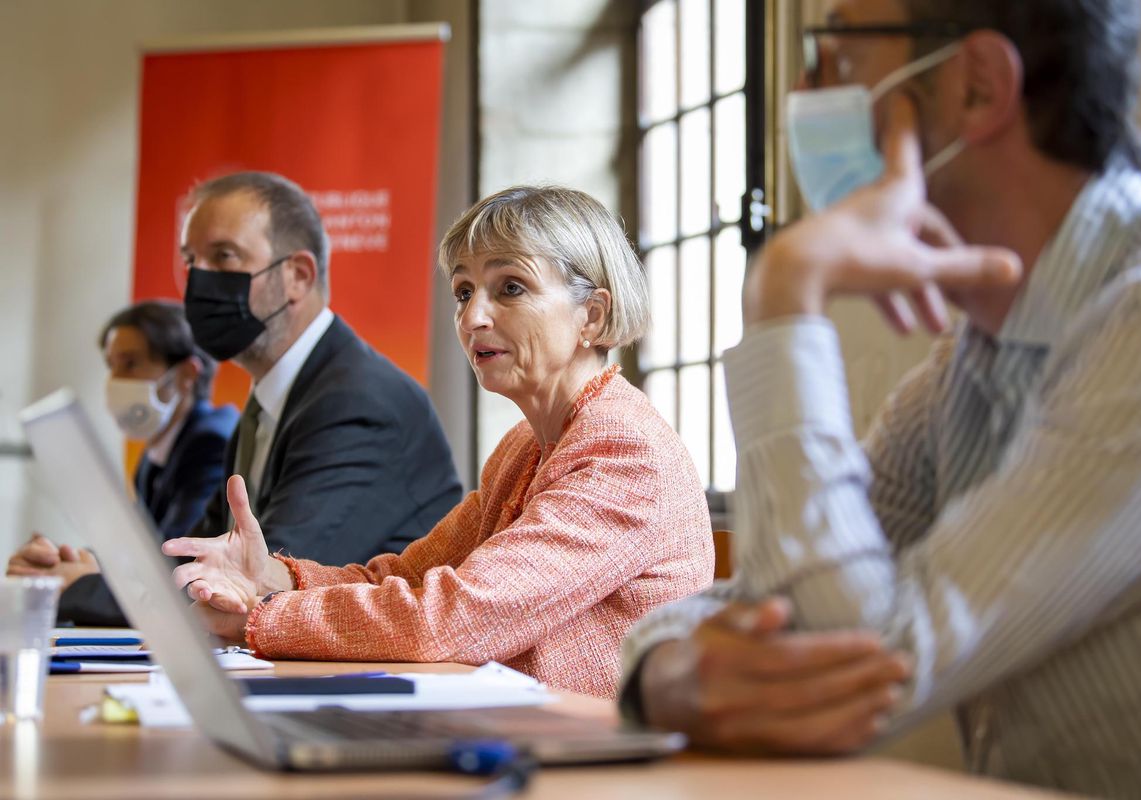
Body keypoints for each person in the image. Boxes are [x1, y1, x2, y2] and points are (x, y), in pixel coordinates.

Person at [621, 0, 1141, 796]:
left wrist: (787, 291)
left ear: (977, 88)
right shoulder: (975, 357)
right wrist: (664, 671)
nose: (804, 88)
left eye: (835, 53)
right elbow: (776, 613)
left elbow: (852, 665)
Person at [162, 186, 715, 699]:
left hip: (595, 764)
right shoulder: (526, 444)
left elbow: (451, 617)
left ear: (591, 316)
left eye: (511, 288)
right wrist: (272, 576)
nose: (473, 317)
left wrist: (264, 618)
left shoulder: (625, 451)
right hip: (517, 733)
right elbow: (407, 576)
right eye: (463, 291)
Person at [14, 171, 463, 619]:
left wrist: (75, 590)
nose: (198, 282)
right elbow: (203, 551)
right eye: (192, 261)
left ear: (298, 276)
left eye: (224, 257)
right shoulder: (270, 403)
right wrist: (89, 567)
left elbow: (259, 575)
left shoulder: (359, 403)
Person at [7, 301, 237, 626]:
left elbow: (174, 561)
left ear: (186, 374)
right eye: (112, 366)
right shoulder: (155, 455)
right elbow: (135, 551)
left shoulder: (211, 445)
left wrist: (75, 581)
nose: (114, 380)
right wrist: (61, 563)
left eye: (130, 364)